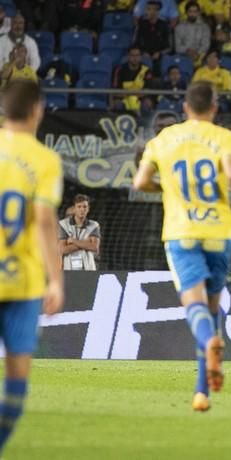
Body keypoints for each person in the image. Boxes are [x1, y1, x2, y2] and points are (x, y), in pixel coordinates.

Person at [133, 81, 231, 412]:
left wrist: (167, 188)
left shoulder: (164, 139)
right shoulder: (223, 138)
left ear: (185, 107)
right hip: (219, 230)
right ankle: (201, 392)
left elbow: (140, 182)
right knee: (213, 309)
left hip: (181, 230)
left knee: (195, 307)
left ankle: (208, 345)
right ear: (214, 108)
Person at [0, 79, 64, 453]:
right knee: (17, 379)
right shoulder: (44, 159)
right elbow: (43, 221)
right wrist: (56, 280)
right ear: (37, 110)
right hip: (22, 284)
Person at [58, 194, 101, 271]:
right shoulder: (63, 225)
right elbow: (62, 249)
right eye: (79, 206)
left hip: (89, 269)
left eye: (84, 207)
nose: (82, 209)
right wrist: (85, 243)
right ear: (74, 209)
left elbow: (94, 247)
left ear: (88, 209)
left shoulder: (94, 225)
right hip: (69, 269)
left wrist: (73, 241)